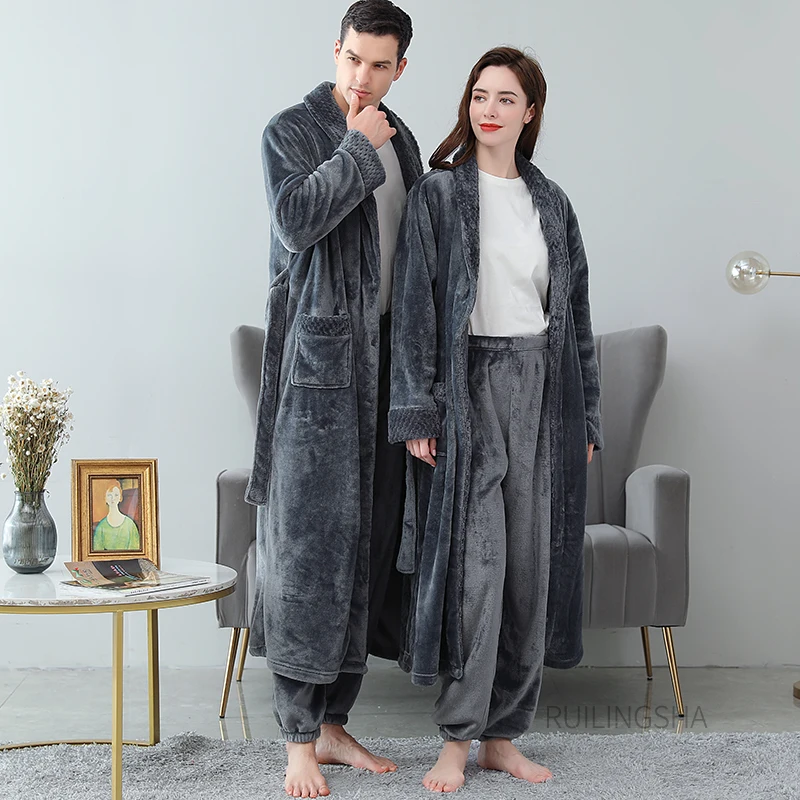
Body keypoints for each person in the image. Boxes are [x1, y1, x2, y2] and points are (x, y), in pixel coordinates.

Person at [388, 46, 603, 792]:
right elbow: (414, 307)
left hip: (542, 392)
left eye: (506, 98)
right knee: (476, 573)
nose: (489, 109)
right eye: (480, 95)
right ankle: (457, 738)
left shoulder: (552, 202)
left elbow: (576, 318)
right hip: (467, 389)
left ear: (530, 112)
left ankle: (503, 736)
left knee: (528, 574)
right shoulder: (438, 196)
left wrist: (586, 418)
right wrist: (419, 408)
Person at [243, 1, 422, 797]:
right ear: (336, 51)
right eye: (353, 59)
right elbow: (295, 221)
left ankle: (336, 723)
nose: (363, 77)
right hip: (315, 383)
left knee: (368, 554)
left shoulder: (402, 138)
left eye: (380, 65)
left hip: (387, 376)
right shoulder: (292, 131)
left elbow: (413, 258)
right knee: (308, 557)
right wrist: (356, 148)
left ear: (400, 68)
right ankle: (296, 738)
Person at [92, 481, 140, 551]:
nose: (113, 498)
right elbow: (97, 551)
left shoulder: (130, 524)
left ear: (120, 497)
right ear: (105, 498)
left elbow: (135, 551)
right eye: (109, 495)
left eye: (116, 495)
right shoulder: (101, 527)